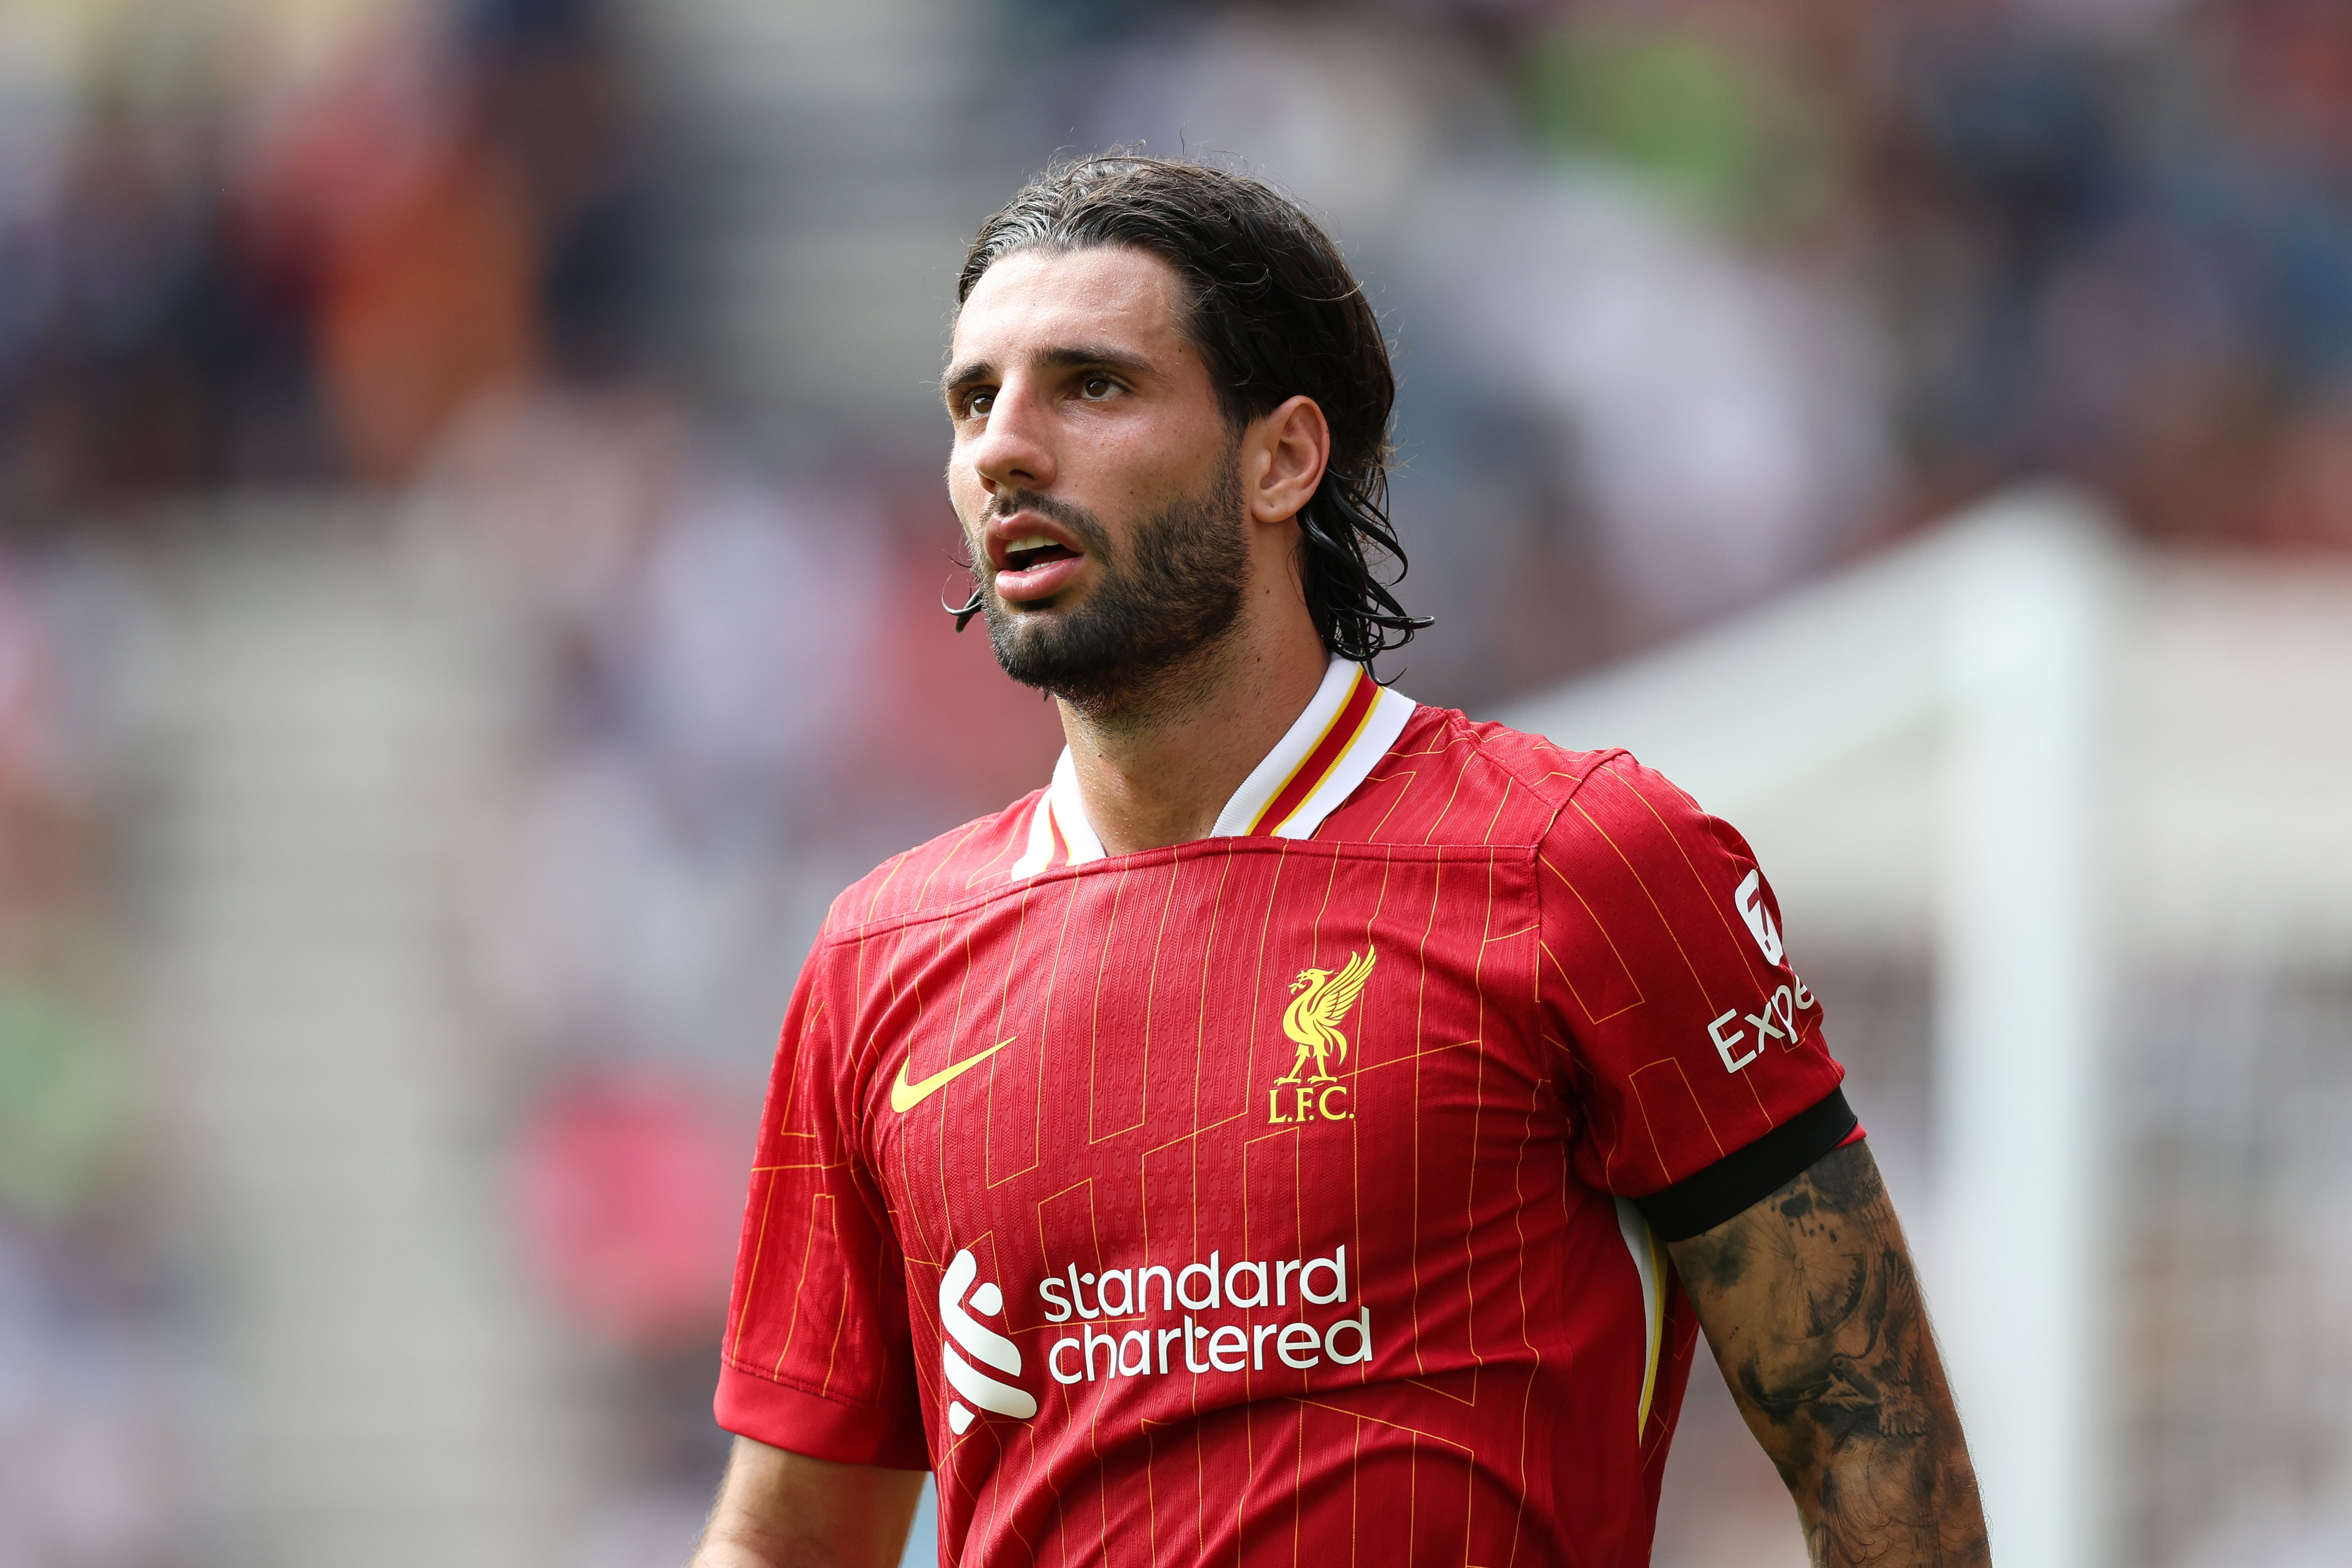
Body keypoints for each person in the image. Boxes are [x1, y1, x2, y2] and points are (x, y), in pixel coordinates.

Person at [691, 154, 1987, 1568]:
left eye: (1092, 385)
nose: (1006, 445)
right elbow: (789, 1537)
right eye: (973, 398)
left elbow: (1873, 1439)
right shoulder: (880, 957)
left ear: (1281, 456)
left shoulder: (1588, 863)